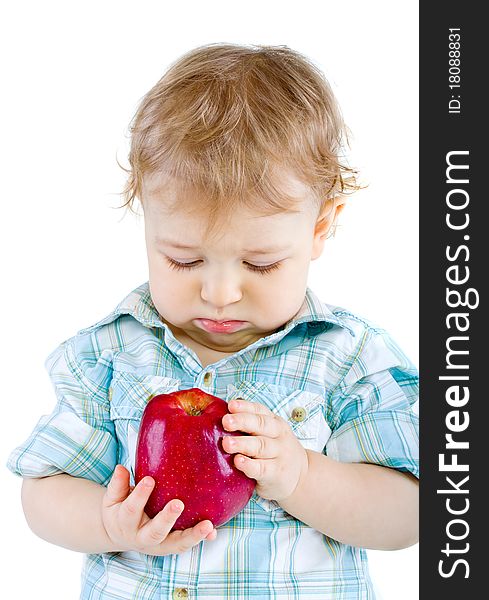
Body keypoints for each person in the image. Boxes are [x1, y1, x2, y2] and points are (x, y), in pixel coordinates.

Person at [7, 43, 419, 599]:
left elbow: (410, 515)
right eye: (183, 259)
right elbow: (44, 491)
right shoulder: (110, 355)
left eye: (261, 263)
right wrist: (107, 523)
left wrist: (301, 477)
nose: (220, 293)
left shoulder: (348, 357)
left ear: (321, 229)